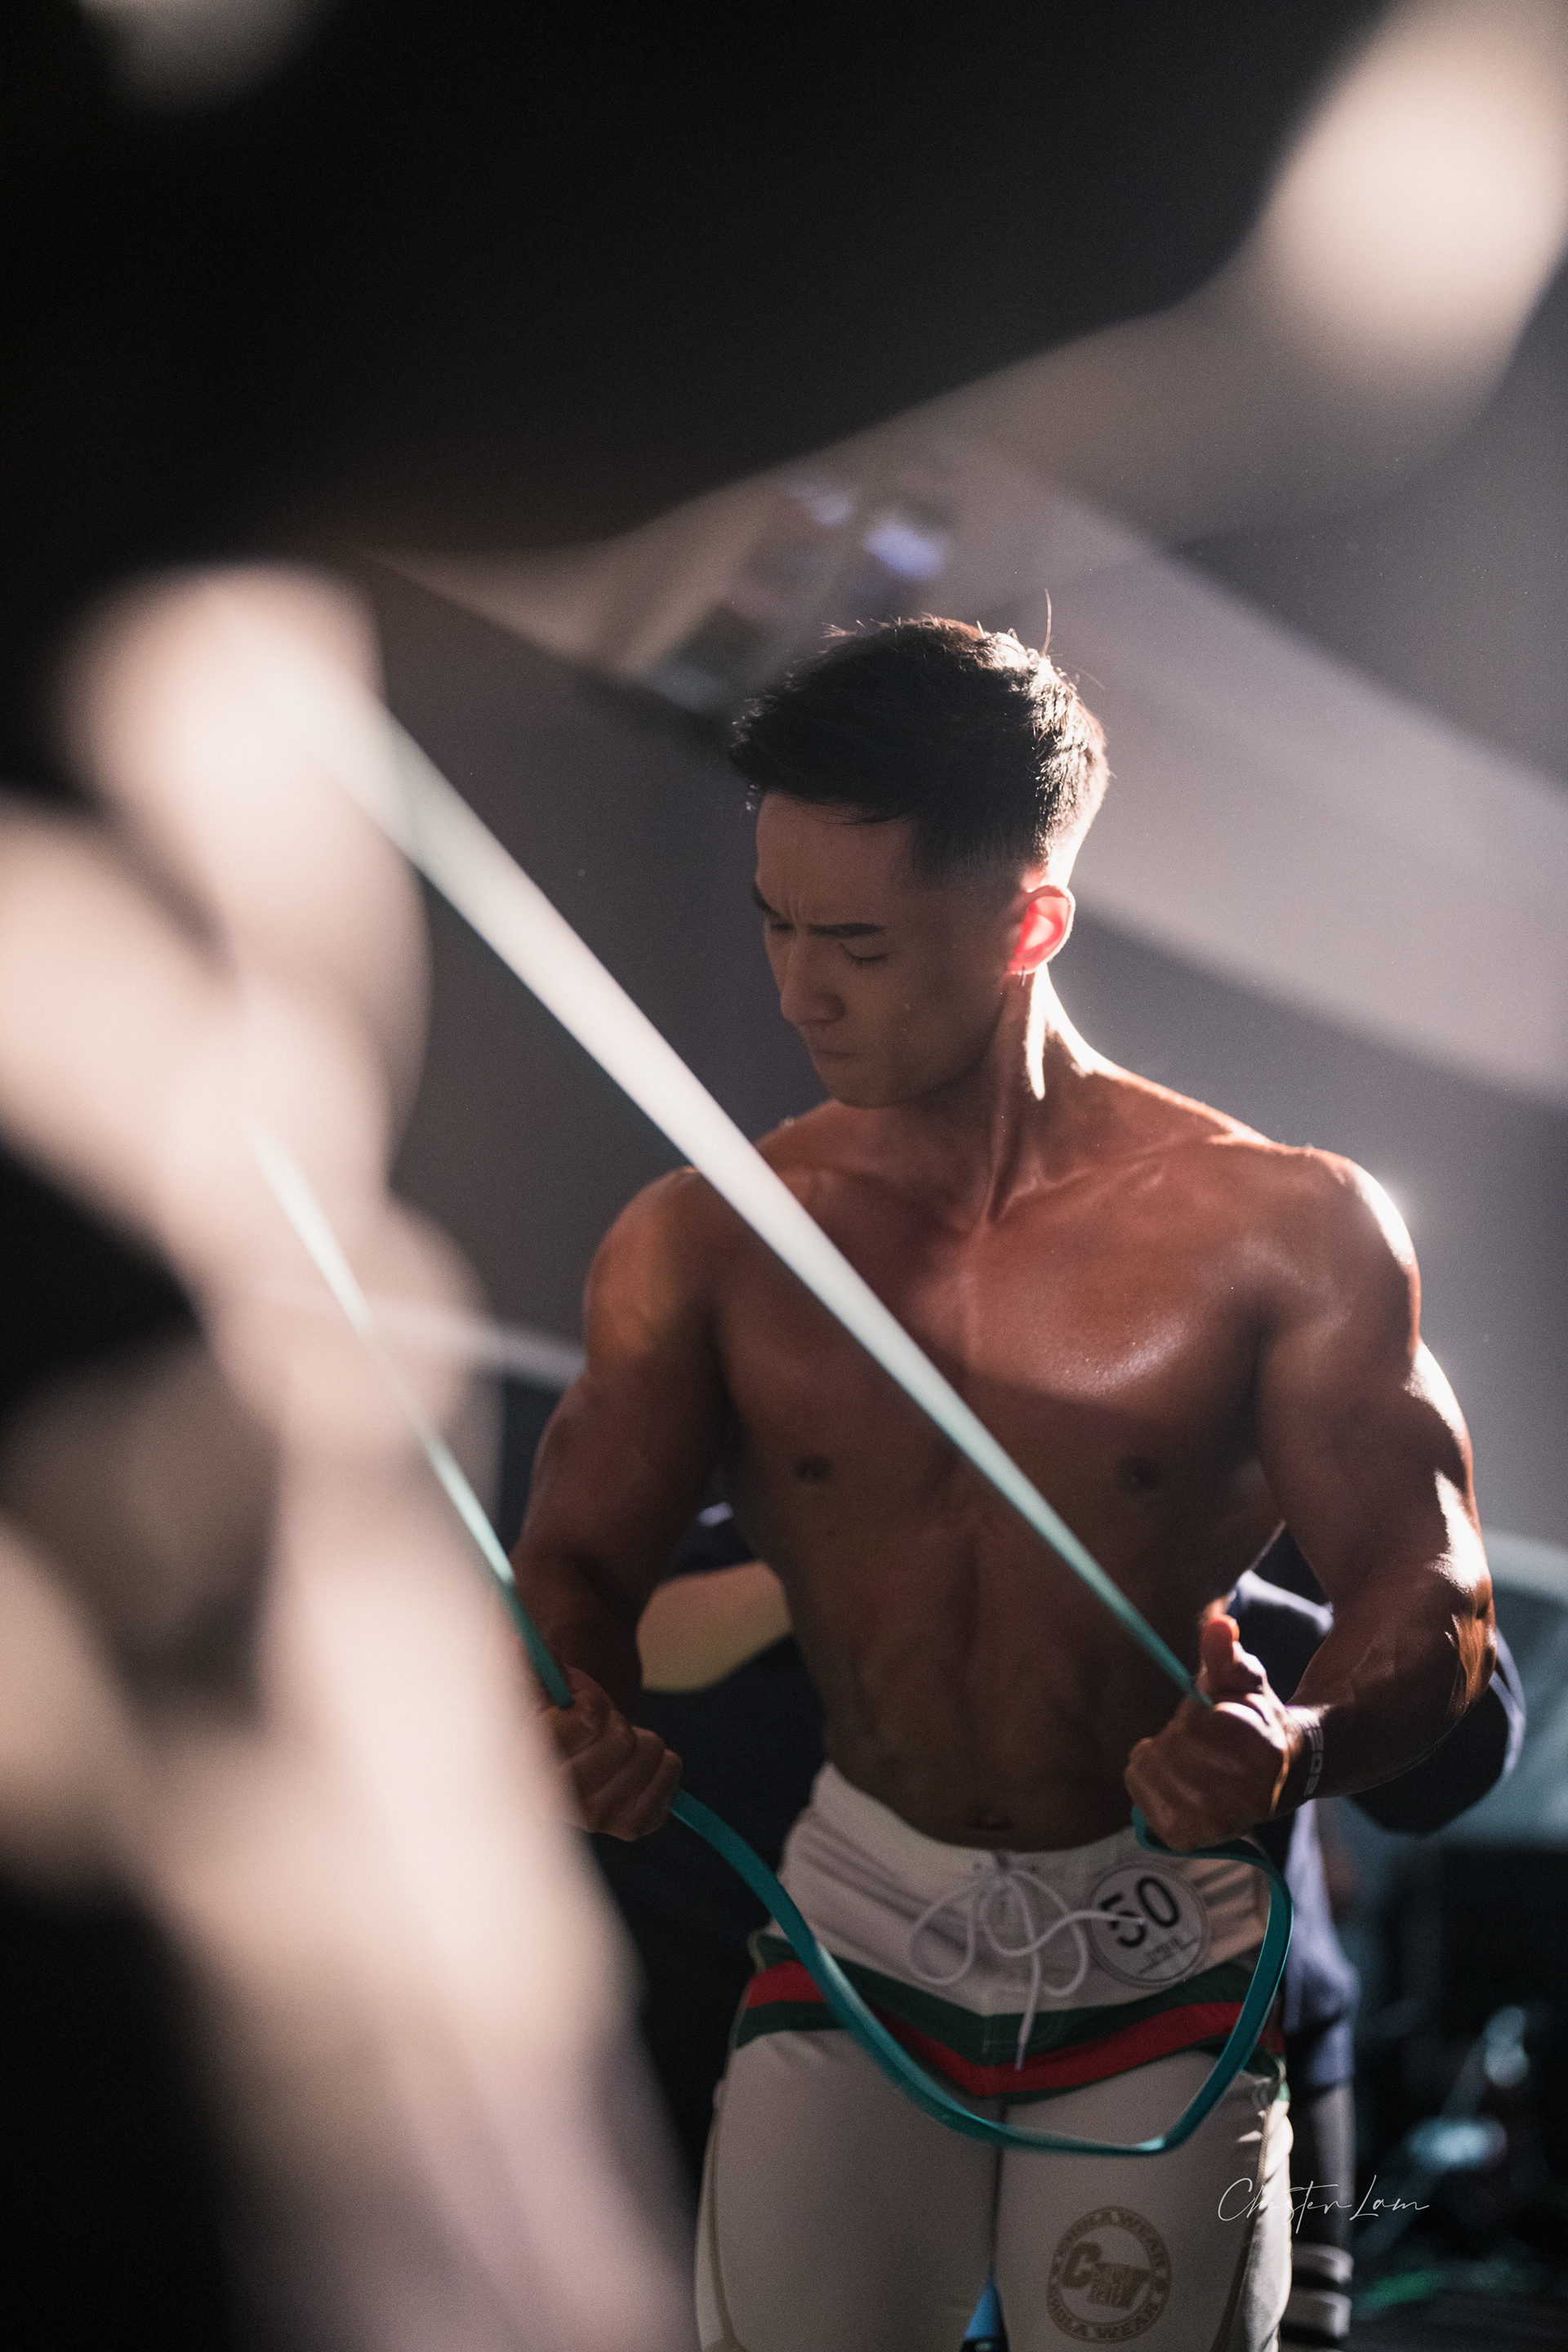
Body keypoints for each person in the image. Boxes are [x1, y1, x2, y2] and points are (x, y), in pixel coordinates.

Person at [512, 619, 1495, 2352]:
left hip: (1162, 1943)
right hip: (858, 1925)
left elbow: (1435, 1596)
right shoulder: (712, 1241)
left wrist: (1300, 1743)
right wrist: (571, 1713)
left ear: (1031, 925)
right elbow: (575, 1568)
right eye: (777, 924)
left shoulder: (1286, 1229)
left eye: (860, 944)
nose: (800, 991)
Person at [617, 1518, 1523, 2351]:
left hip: (1230, 2023)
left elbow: (1467, 1737)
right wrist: (866, 1563)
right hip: (909, 2011)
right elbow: (645, 1632)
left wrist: (1263, 1674)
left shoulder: (1291, 1470)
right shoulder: (905, 1460)